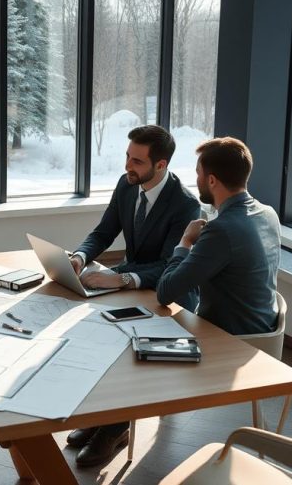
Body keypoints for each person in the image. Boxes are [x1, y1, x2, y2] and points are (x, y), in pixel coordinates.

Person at [63, 124, 201, 468]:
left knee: (124, 345)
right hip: (134, 283)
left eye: (137, 161)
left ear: (161, 165)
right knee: (91, 330)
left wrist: (123, 278)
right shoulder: (127, 186)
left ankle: (114, 427)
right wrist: (80, 256)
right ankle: (102, 414)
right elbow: (104, 231)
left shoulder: (185, 205)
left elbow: (171, 266)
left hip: (168, 296)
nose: (128, 166)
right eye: (127, 157)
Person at [156, 136, 280, 336]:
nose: (196, 181)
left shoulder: (221, 230)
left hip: (229, 340)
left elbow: (165, 293)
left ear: (211, 180)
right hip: (263, 330)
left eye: (198, 174)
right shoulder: (269, 214)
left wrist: (185, 241)